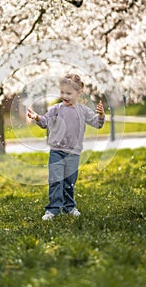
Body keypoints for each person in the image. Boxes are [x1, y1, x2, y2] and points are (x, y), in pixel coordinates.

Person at [27, 73, 105, 220]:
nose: (65, 96)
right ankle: (53, 209)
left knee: (69, 182)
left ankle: (69, 207)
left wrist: (101, 116)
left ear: (79, 92)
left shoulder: (82, 111)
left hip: (74, 153)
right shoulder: (56, 109)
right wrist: (37, 117)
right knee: (56, 181)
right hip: (57, 151)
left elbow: (97, 124)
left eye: (69, 93)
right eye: (62, 92)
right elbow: (44, 122)